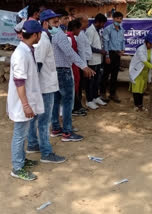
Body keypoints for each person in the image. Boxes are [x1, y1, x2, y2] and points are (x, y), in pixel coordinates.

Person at [26, 10, 66, 164]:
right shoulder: (43, 39)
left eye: (58, 22)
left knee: (37, 117)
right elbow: (39, 64)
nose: (58, 25)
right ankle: (46, 153)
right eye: (55, 22)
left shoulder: (45, 37)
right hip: (45, 86)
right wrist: (34, 87)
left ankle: (32, 144)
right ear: (45, 23)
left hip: (43, 85)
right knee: (45, 120)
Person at [7, 20, 44, 181]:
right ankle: (17, 167)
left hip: (26, 100)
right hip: (21, 102)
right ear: (35, 35)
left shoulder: (27, 50)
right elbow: (19, 82)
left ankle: (21, 160)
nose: (41, 36)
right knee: (20, 135)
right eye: (40, 33)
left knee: (22, 133)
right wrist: (26, 105)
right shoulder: (21, 54)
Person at [50, 13, 95, 142]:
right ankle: (67, 132)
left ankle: (56, 128)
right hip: (63, 71)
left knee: (56, 101)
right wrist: (83, 66)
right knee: (67, 102)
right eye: (56, 21)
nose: (63, 22)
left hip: (56, 71)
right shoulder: (59, 35)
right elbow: (70, 53)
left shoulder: (52, 35)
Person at [129, 33, 152, 111]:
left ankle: (141, 106)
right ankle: (136, 105)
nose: (151, 45)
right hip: (137, 71)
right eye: (150, 43)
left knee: (141, 89)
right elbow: (144, 61)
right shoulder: (140, 49)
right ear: (146, 42)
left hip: (145, 72)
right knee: (136, 89)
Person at [85, 13, 108, 110]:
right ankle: (89, 100)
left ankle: (95, 97)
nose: (103, 26)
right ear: (98, 22)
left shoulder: (97, 30)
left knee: (96, 81)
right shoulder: (90, 31)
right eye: (103, 24)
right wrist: (100, 51)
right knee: (90, 82)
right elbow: (88, 46)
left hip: (98, 60)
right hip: (92, 60)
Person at [102, 11, 125, 103]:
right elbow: (105, 43)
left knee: (115, 75)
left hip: (117, 54)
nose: (119, 20)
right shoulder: (108, 29)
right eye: (117, 18)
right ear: (113, 18)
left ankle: (112, 93)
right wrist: (107, 56)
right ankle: (103, 93)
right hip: (109, 54)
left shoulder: (121, 29)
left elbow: (123, 40)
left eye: (120, 19)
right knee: (106, 74)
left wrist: (122, 49)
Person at [67, 19, 87, 116]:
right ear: (75, 28)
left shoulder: (73, 37)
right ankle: (74, 108)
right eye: (79, 29)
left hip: (75, 65)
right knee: (73, 87)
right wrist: (84, 67)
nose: (80, 31)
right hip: (71, 65)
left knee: (76, 86)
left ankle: (77, 106)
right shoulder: (69, 38)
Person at [74, 14, 92, 114]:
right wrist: (84, 67)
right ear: (80, 22)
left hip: (84, 63)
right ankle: (78, 106)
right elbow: (81, 52)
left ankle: (79, 104)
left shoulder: (82, 33)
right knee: (80, 86)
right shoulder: (79, 34)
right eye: (86, 21)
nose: (88, 23)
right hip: (82, 64)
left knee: (81, 85)